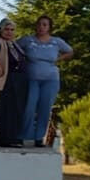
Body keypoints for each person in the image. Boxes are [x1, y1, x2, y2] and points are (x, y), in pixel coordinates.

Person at [17, 15, 72, 147]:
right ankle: (23, 135)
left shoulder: (56, 41)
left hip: (50, 79)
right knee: (29, 107)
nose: (41, 27)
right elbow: (14, 48)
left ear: (49, 27)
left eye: (45, 25)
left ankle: (38, 137)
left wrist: (58, 60)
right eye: (39, 24)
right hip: (31, 78)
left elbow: (70, 51)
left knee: (45, 108)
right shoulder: (28, 40)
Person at [0, 17, 27, 147]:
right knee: (8, 110)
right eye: (6, 29)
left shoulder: (14, 43)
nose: (9, 32)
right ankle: (6, 140)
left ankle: (16, 138)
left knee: (18, 110)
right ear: (0, 30)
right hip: (8, 80)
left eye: (12, 29)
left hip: (19, 80)